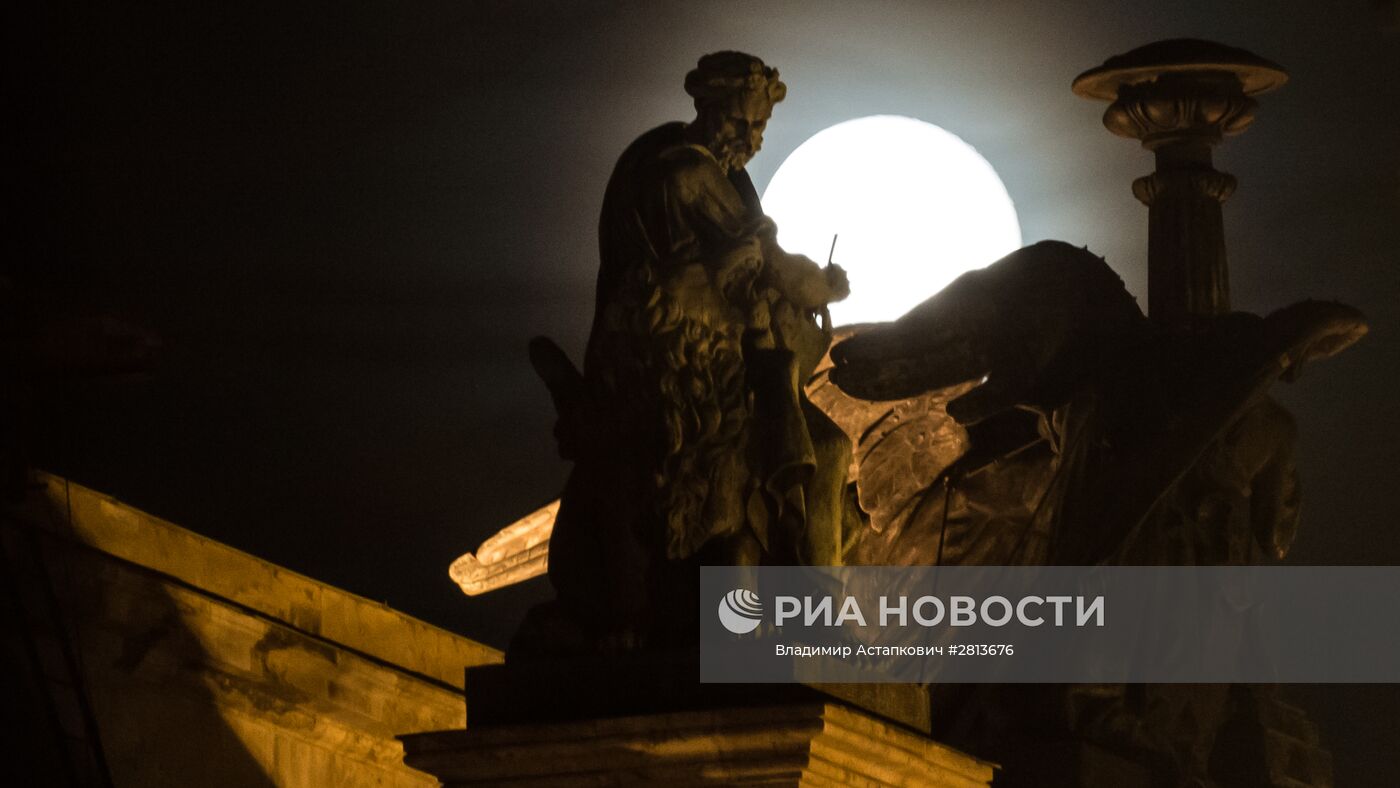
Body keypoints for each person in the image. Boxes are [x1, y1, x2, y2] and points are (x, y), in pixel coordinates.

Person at [528, 51, 851, 650]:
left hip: (716, 358)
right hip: (684, 364)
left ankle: (810, 613)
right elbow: (776, 268)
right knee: (800, 452)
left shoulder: (714, 177)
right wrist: (827, 285)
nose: (750, 140)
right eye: (738, 122)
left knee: (822, 447)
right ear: (707, 108)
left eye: (758, 128)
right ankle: (801, 615)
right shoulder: (685, 174)